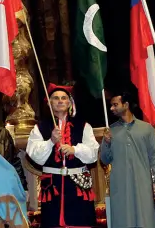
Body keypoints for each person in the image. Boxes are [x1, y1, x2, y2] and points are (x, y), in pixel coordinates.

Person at [25, 83, 98, 227]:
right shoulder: (40, 127)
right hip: (53, 188)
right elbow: (34, 154)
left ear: (70, 103)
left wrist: (75, 150)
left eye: (64, 98)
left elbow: (93, 153)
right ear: (49, 103)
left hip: (78, 186)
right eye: (56, 98)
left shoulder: (84, 126)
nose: (60, 101)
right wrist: (51, 142)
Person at [101, 90, 155, 228]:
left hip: (143, 183)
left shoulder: (146, 128)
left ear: (126, 104)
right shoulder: (110, 131)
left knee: (146, 218)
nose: (111, 108)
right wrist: (106, 143)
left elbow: (154, 156)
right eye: (111, 105)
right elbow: (105, 160)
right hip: (120, 185)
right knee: (123, 219)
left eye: (115, 104)